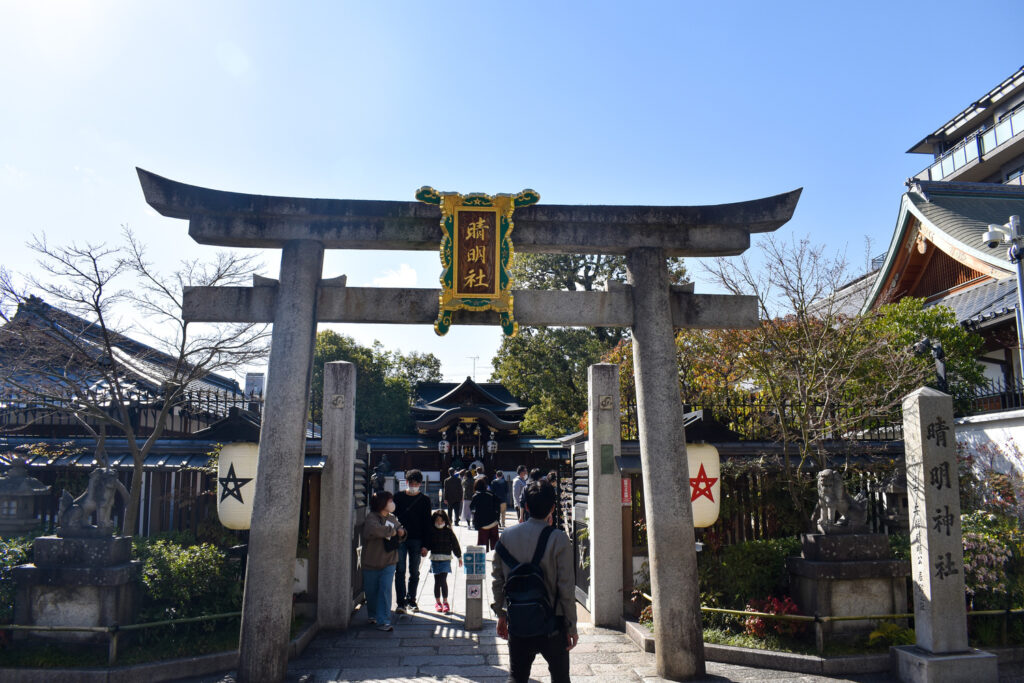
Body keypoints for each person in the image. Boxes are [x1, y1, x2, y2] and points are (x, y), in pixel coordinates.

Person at [491, 480, 577, 682]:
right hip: (553, 623)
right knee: (560, 678)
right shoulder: (559, 539)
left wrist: (501, 614)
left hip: (519, 621)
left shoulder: (506, 537)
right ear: (553, 508)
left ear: (526, 507)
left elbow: (498, 580)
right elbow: (566, 587)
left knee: (517, 677)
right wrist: (571, 626)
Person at [362, 490, 404, 631]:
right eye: (389, 501)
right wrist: (391, 532)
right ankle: (373, 614)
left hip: (390, 560)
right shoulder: (371, 518)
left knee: (385, 590)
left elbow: (401, 530)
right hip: (371, 561)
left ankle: (384, 620)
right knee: (371, 591)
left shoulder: (392, 518)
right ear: (382, 503)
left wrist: (402, 533)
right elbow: (372, 531)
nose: (392, 503)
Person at [393, 469, 432, 613]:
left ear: (420, 484)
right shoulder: (398, 497)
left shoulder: (425, 500)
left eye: (416, 483)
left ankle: (412, 600)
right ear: (407, 482)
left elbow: (428, 524)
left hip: (417, 539)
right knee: (400, 570)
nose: (413, 485)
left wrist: (426, 545)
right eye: (411, 482)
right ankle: (400, 602)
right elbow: (391, 517)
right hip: (400, 539)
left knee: (414, 572)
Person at [421, 509, 462, 613]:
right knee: (437, 581)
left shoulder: (448, 531)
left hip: (445, 559)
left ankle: (445, 601)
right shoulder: (431, 531)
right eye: (437, 520)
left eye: (441, 520)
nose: (439, 523)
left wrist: (459, 557)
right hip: (435, 559)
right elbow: (428, 543)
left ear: (445, 520)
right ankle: (438, 602)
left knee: (443, 580)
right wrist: (425, 548)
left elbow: (455, 545)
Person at [470, 477, 501, 551]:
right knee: (495, 544)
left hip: (482, 524)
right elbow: (498, 505)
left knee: (482, 545)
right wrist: (497, 518)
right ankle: (496, 559)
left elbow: (472, 508)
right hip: (493, 522)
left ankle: (484, 559)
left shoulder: (475, 496)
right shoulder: (491, 494)